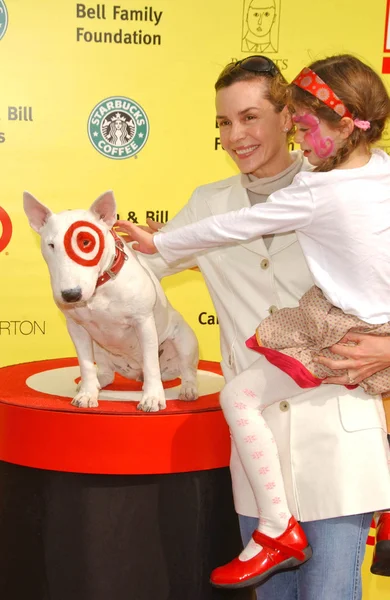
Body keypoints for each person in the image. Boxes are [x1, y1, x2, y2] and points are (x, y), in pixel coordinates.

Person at [116, 55, 390, 599]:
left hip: (337, 435)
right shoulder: (207, 205)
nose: (234, 135)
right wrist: (84, 247)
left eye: (249, 117)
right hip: (258, 452)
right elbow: (139, 269)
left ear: (289, 116)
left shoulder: (348, 184)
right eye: (222, 122)